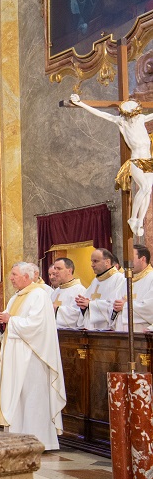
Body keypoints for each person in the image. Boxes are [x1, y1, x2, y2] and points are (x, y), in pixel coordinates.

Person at [0, 262, 66, 450]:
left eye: (14, 274)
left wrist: (10, 320)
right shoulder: (15, 297)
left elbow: (37, 325)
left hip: (33, 357)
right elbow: (11, 323)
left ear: (26, 277)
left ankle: (39, 441)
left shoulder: (39, 295)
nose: (11, 278)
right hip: (15, 356)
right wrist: (2, 322)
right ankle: (17, 439)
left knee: (33, 399)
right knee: (18, 398)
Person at [70, 95, 153, 236]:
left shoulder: (141, 119)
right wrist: (81, 103)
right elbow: (101, 114)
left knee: (148, 191)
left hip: (149, 160)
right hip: (136, 160)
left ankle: (140, 220)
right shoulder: (122, 122)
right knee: (144, 187)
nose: (134, 117)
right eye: (132, 115)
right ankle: (133, 218)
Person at [76, 248, 125, 330]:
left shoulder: (119, 279)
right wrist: (83, 306)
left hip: (108, 330)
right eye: (92, 261)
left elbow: (114, 305)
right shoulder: (95, 281)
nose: (92, 265)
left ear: (107, 262)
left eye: (95, 261)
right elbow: (87, 303)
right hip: (91, 330)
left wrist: (90, 304)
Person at [114, 245, 153, 332]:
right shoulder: (125, 280)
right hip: (121, 333)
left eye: (131, 258)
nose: (127, 262)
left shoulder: (151, 278)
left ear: (143, 259)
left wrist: (126, 306)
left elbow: (150, 307)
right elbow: (116, 301)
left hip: (142, 334)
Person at [50, 257, 86, 329]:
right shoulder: (56, 291)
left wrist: (57, 309)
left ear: (69, 271)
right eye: (55, 268)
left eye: (59, 269)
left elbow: (78, 315)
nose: (55, 272)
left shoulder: (80, 290)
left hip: (69, 333)